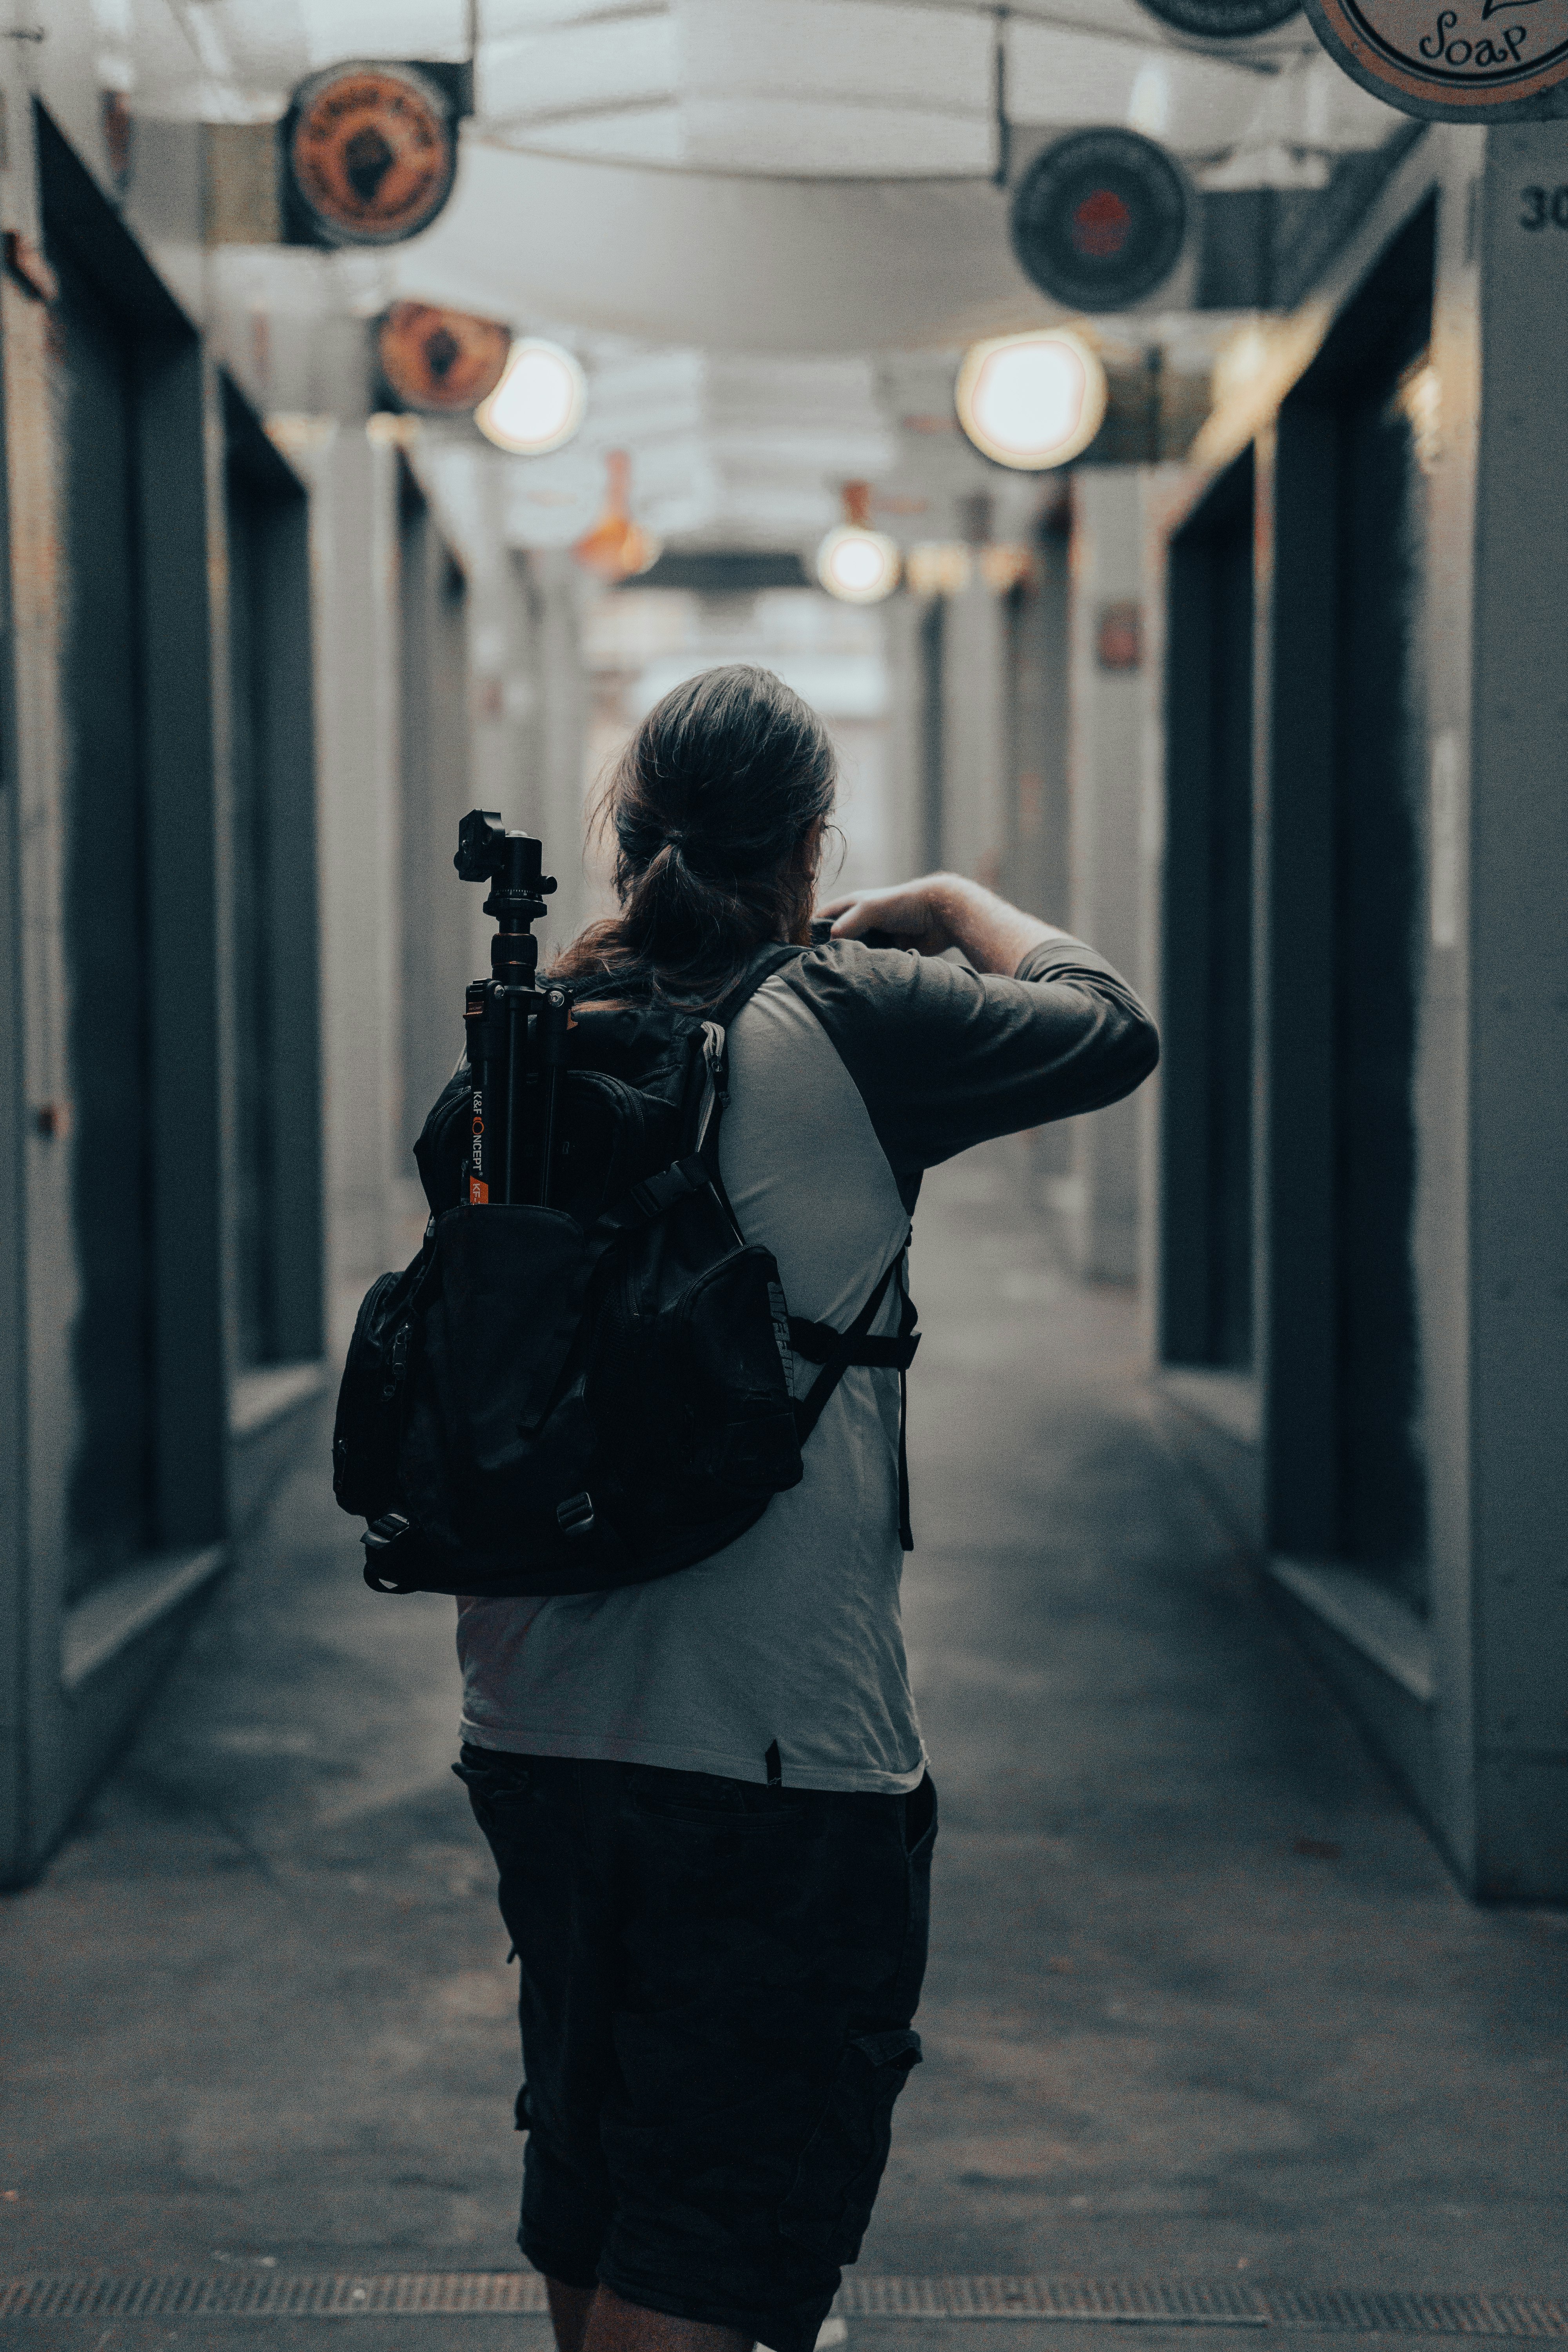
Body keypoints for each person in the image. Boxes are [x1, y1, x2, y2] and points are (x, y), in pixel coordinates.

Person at [451, 664, 1157, 2352]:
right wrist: (947, 905)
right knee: (715, 2244)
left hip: (531, 1720)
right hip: (774, 1751)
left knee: (602, 2175)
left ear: (630, 844)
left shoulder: (540, 1024)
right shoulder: (848, 1011)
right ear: (811, 847)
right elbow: (1111, 1022)